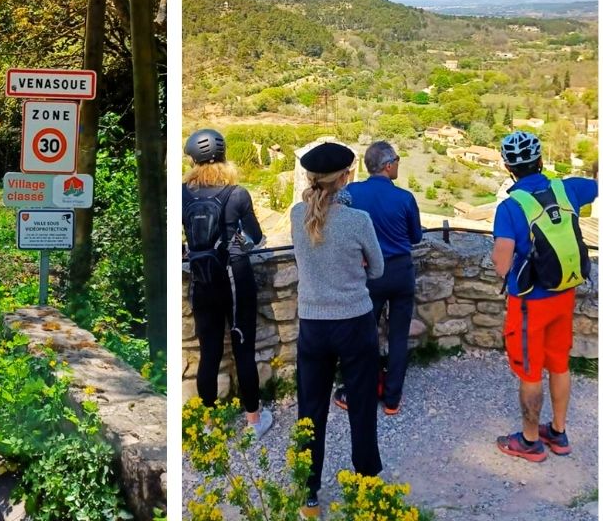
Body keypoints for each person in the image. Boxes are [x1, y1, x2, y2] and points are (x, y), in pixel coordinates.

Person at [290, 141, 385, 516]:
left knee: (310, 409)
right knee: (361, 405)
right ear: (345, 178)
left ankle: (308, 494)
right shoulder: (358, 220)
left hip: (313, 325)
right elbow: (376, 269)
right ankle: (366, 486)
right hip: (354, 322)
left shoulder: (298, 215)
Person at [492, 131, 596, 463]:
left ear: (509, 167)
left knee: (530, 371)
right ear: (540, 161)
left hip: (528, 304)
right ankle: (559, 432)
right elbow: (599, 184)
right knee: (560, 364)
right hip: (565, 294)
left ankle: (530, 441)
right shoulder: (569, 189)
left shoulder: (510, 208)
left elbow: (501, 262)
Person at [181, 129, 273, 439]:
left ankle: (208, 425)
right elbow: (256, 237)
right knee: (243, 351)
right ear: (223, 156)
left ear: (192, 159)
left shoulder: (183, 192)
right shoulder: (237, 193)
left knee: (209, 353)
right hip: (236, 280)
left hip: (202, 279)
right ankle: (253, 421)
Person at [335, 141, 422, 415]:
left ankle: (361, 391)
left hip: (369, 273)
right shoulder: (405, 198)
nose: (397, 163)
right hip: (401, 272)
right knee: (398, 336)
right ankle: (392, 400)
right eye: (396, 159)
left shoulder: (352, 193)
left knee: (364, 335)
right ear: (387, 165)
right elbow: (416, 237)